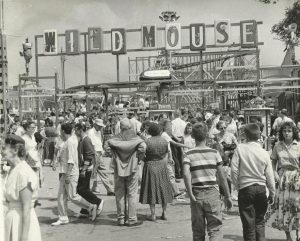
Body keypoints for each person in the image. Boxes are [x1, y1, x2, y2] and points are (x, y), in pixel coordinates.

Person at [183, 123, 232, 241]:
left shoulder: (188, 154)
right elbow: (222, 177)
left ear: (193, 137)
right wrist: (227, 196)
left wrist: (190, 193)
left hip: (196, 194)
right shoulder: (214, 153)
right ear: (206, 136)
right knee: (215, 228)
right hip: (212, 194)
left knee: (198, 230)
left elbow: (185, 173)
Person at [231, 123, 276, 241]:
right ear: (259, 135)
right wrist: (272, 192)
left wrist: (237, 186)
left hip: (246, 188)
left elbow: (234, 170)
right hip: (261, 189)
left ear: (245, 135)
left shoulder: (240, 148)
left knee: (248, 224)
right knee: (260, 221)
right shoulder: (264, 152)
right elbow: (270, 176)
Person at [51, 123, 98, 226]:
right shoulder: (67, 141)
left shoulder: (71, 142)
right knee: (61, 196)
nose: (59, 133)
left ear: (63, 131)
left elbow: (71, 160)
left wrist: (67, 175)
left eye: (60, 131)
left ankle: (91, 206)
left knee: (73, 196)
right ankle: (63, 217)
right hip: (64, 172)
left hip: (70, 173)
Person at [106, 118, 146, 226]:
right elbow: (143, 148)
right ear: (130, 127)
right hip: (132, 168)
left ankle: (121, 219)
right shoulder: (135, 138)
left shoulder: (115, 138)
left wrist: (114, 156)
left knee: (119, 195)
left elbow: (107, 148)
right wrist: (137, 158)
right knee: (132, 194)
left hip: (118, 169)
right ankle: (132, 219)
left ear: (120, 127)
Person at [3, 134, 42, 241]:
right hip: (12, 220)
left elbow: (26, 207)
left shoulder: (23, 172)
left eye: (4, 148)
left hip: (21, 223)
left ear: (15, 150)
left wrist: (24, 236)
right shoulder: (12, 170)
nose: (2, 151)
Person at [266, 121, 300, 241]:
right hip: (283, 178)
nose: (287, 133)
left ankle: (298, 233)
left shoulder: (299, 145)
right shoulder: (277, 146)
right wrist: (274, 173)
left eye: (289, 131)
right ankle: (288, 235)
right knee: (284, 207)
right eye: (284, 131)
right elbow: (273, 161)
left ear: (293, 132)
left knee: (296, 206)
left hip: (297, 178)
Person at [139, 123, 173, 221]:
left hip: (150, 166)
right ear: (160, 131)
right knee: (164, 189)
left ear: (150, 131)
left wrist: (145, 160)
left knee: (151, 189)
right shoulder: (164, 141)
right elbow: (167, 152)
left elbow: (142, 154)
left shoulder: (147, 141)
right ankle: (164, 212)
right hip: (162, 166)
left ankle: (153, 214)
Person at [74, 123, 105, 218]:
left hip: (86, 169)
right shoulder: (82, 140)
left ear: (80, 130)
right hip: (85, 168)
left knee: (81, 189)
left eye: (76, 130)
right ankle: (85, 209)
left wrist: (83, 169)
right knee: (84, 188)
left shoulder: (86, 140)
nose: (75, 132)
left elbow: (89, 156)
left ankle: (97, 201)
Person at [88, 118, 115, 196]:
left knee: (100, 171)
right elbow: (92, 145)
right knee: (93, 172)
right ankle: (107, 189)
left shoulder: (99, 132)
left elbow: (100, 142)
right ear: (95, 125)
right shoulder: (91, 132)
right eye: (99, 126)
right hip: (94, 154)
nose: (100, 127)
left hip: (99, 153)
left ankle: (108, 189)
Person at [171, 110, 187, 179]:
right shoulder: (184, 123)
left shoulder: (173, 122)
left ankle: (178, 174)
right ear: (180, 115)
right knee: (182, 156)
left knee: (175, 157)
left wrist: (177, 139)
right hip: (182, 139)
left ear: (174, 115)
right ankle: (183, 173)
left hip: (175, 139)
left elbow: (171, 133)